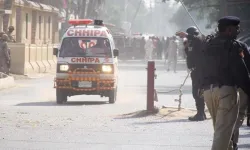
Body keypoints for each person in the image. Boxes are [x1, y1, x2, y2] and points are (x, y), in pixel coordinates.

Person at [201, 16, 250, 150]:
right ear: (229, 30)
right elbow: (242, 73)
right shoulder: (234, 46)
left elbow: (199, 69)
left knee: (222, 132)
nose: (238, 31)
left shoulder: (208, 45)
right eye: (236, 28)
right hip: (226, 93)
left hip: (208, 93)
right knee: (222, 135)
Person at [185, 26, 206, 121]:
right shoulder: (192, 43)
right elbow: (189, 55)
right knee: (196, 93)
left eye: (189, 35)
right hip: (194, 71)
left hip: (200, 71)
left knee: (197, 92)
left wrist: (188, 36)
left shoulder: (199, 41)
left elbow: (198, 39)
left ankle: (200, 113)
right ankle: (201, 113)